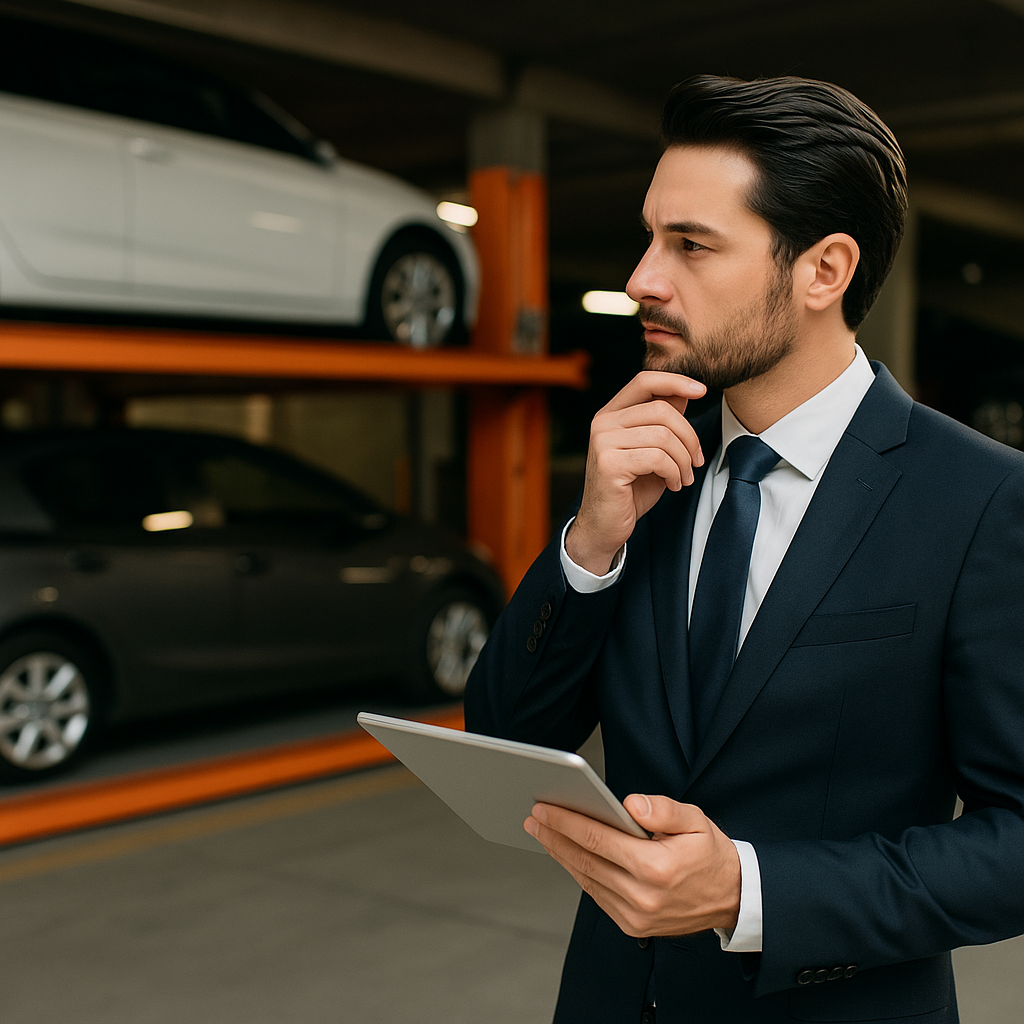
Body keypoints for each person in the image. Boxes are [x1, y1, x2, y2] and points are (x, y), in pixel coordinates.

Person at [463, 74, 1024, 1024]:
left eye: (691, 245)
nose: (642, 278)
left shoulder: (982, 500)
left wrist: (748, 891)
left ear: (824, 271)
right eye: (651, 236)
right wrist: (591, 543)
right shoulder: (642, 469)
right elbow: (506, 738)